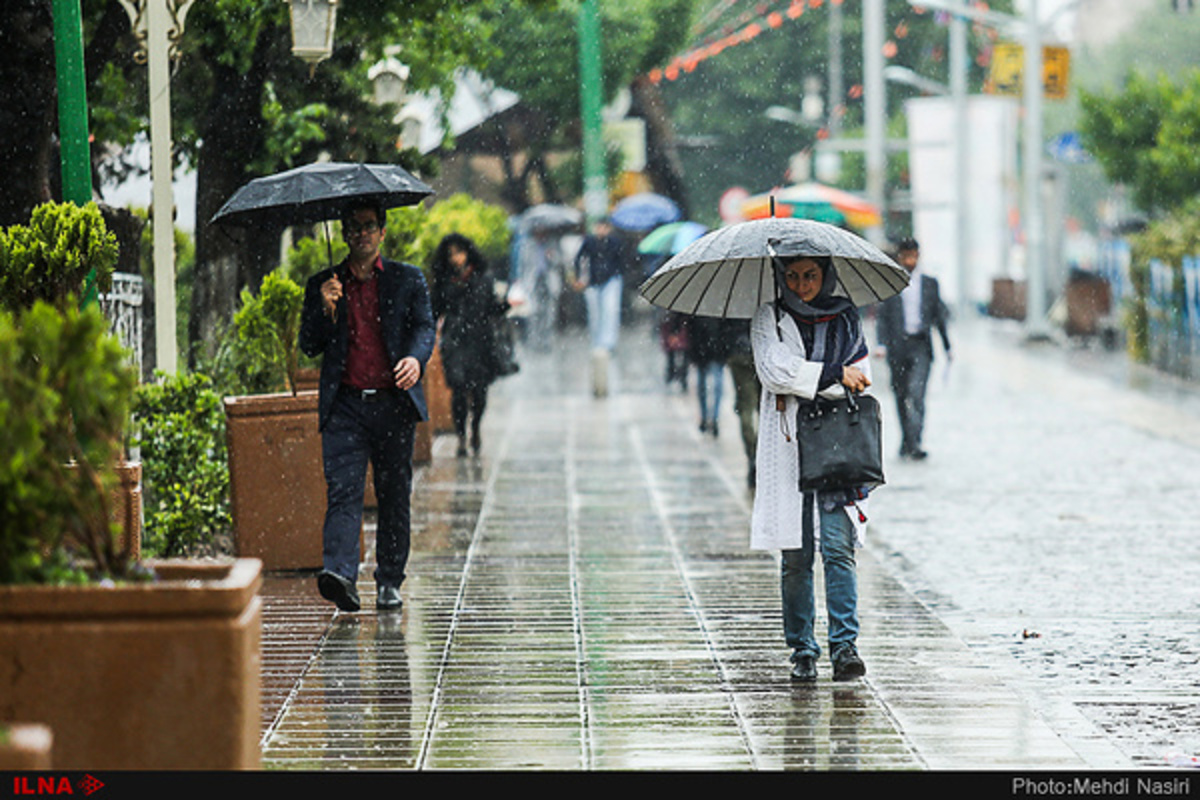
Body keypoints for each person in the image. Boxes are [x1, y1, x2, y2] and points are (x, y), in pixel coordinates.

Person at [299, 200, 436, 613]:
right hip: (346, 408)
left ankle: (389, 580)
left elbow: (424, 326)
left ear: (382, 232)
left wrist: (415, 358)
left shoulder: (407, 280)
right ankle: (340, 574)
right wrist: (325, 308)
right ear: (342, 233)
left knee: (394, 494)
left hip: (394, 404)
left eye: (369, 226)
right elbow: (309, 345)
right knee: (343, 492)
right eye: (353, 227)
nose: (361, 233)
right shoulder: (323, 284)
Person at [750, 255, 873, 683]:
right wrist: (833, 375)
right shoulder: (770, 317)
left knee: (838, 548)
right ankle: (802, 647)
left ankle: (845, 645)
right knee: (796, 555)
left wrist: (812, 379)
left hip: (836, 445)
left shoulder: (845, 317)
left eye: (810, 275)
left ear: (826, 276)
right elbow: (772, 370)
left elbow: (863, 375)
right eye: (793, 276)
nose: (801, 284)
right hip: (788, 445)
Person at [429, 233, 510, 457]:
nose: (456, 258)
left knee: (480, 392)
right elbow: (435, 311)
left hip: (481, 341)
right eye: (451, 254)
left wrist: (504, 306)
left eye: (460, 252)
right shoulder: (444, 281)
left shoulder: (483, 278)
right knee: (458, 390)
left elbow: (491, 307)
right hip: (455, 342)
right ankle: (462, 436)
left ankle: (475, 428)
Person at [875, 238, 951, 460]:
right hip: (898, 347)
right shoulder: (890, 283)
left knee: (917, 395)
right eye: (906, 256)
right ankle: (906, 440)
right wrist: (881, 344)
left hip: (921, 346)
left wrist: (947, 346)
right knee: (901, 395)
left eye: (914, 255)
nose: (910, 260)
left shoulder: (930, 283)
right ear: (900, 257)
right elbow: (883, 318)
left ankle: (915, 442)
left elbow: (939, 315)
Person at [572, 217, 627, 397]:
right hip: (593, 283)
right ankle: (597, 341)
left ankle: (608, 342)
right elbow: (579, 258)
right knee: (595, 314)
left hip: (611, 280)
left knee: (610, 311)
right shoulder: (589, 241)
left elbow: (622, 261)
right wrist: (581, 277)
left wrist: (618, 276)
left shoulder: (615, 242)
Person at [725, 318, 761, 487]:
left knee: (746, 409)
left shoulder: (732, 299)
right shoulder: (768, 297)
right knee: (766, 410)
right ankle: (761, 454)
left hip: (738, 353)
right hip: (761, 354)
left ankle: (752, 454)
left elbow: (722, 328)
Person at [686, 314, 730, 437]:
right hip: (708, 349)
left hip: (710, 349)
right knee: (712, 386)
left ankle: (711, 418)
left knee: (711, 386)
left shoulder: (700, 307)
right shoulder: (721, 306)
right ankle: (709, 417)